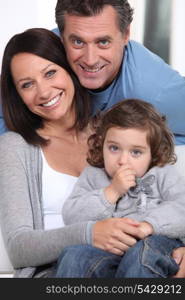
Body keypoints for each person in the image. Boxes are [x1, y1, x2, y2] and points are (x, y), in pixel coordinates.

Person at [0, 28, 148, 278]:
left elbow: (160, 197)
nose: (44, 92)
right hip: (58, 273)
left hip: (125, 266)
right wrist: (90, 233)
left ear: (69, 69)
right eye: (27, 85)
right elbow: (18, 247)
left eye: (50, 73)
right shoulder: (16, 147)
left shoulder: (113, 132)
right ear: (18, 96)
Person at [55, 99, 185, 278]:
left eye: (136, 152)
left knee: (141, 255)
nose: (123, 160)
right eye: (114, 148)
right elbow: (71, 215)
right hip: (108, 253)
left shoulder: (162, 173)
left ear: (153, 153)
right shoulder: (94, 175)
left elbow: (181, 207)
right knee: (74, 256)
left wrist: (149, 225)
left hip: (153, 245)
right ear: (102, 145)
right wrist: (112, 192)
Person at [54, 0, 185, 146]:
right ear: (61, 37)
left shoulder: (155, 91)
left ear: (126, 34)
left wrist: (150, 153)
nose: (90, 60)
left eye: (103, 42)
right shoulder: (45, 53)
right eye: (78, 42)